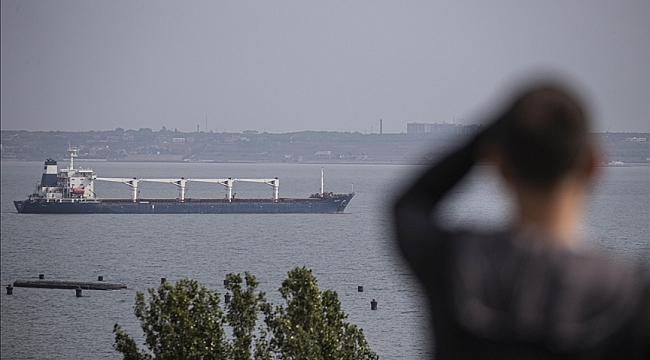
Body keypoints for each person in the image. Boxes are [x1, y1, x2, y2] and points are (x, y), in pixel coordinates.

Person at [393, 83, 648, 359]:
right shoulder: (629, 299)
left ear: (498, 167)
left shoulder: (455, 262)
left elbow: (410, 204)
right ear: (593, 164)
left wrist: (493, 131)